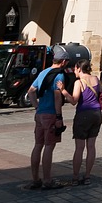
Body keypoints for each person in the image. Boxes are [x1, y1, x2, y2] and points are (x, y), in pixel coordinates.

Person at [25, 49, 70, 190]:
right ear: (63, 62)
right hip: (51, 114)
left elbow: (31, 91)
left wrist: (36, 106)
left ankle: (35, 179)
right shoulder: (59, 75)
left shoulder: (43, 72)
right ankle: (47, 180)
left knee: (38, 145)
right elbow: (58, 96)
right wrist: (59, 116)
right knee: (49, 147)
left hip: (40, 114)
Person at [67, 59, 102, 185]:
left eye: (75, 69)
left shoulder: (79, 82)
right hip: (97, 114)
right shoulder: (96, 79)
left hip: (83, 115)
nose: (74, 71)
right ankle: (87, 176)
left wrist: (63, 91)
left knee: (79, 148)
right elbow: (101, 95)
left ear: (78, 68)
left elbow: (74, 100)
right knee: (91, 146)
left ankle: (75, 177)